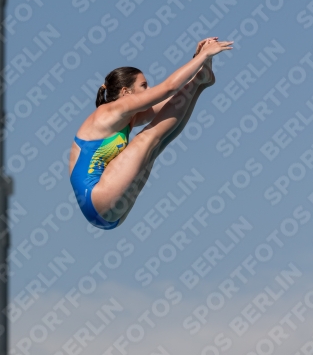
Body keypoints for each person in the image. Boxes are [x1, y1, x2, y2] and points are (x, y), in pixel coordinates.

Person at [69, 37, 233, 230]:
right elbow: (168, 88)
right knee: (148, 137)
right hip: (97, 198)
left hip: (110, 213)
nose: (148, 91)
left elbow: (171, 101)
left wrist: (197, 65)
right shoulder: (110, 111)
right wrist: (204, 55)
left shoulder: (126, 119)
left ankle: (201, 80)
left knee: (160, 140)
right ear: (125, 92)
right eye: (143, 86)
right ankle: (200, 78)